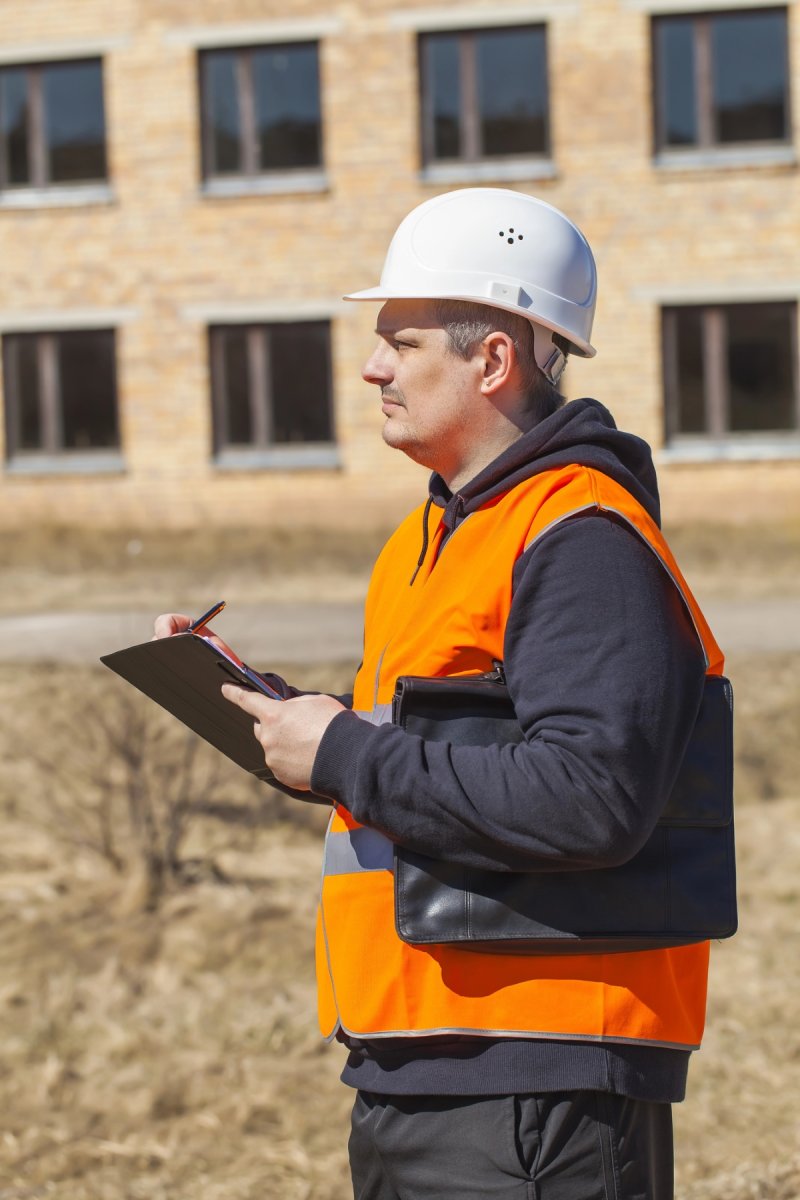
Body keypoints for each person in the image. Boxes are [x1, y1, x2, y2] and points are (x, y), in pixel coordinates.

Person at [155, 188, 724, 1198]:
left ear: (491, 360)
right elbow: (426, 746)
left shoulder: (579, 537)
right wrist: (276, 713)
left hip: (533, 1088)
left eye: (399, 340)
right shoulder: (439, 534)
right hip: (427, 1058)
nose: (371, 366)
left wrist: (340, 754)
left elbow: (590, 797)